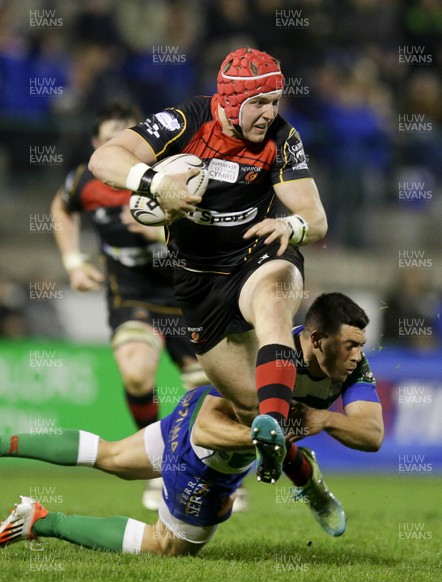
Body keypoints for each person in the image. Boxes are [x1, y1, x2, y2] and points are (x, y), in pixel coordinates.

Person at [88, 47, 328, 483]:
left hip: (258, 253)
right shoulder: (184, 122)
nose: (268, 112)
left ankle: (273, 419)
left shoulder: (282, 137)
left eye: (275, 101)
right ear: (231, 101)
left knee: (275, 299)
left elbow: (316, 219)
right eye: (258, 102)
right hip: (199, 281)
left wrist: (289, 226)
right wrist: (157, 182)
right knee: (246, 407)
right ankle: (302, 474)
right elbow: (103, 158)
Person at [0, 293, 383, 554]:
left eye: (361, 345)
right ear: (316, 339)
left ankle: (6, 441)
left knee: (112, 456)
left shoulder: (352, 369)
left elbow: (371, 435)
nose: (357, 355)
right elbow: (205, 429)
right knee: (166, 546)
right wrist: (265, 441)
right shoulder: (273, 359)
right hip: (209, 447)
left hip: (196, 413)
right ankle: (41, 520)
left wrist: (324, 418)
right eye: (350, 345)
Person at [51, 102, 209, 510]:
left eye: (125, 139)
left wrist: (159, 233)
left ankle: (215, 474)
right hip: (131, 293)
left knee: (205, 386)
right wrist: (74, 262)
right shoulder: (86, 180)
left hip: (184, 291)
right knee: (138, 376)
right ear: (96, 144)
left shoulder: (178, 172)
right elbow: (61, 208)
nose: (117, 148)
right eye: (108, 141)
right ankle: (155, 467)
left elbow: (211, 237)